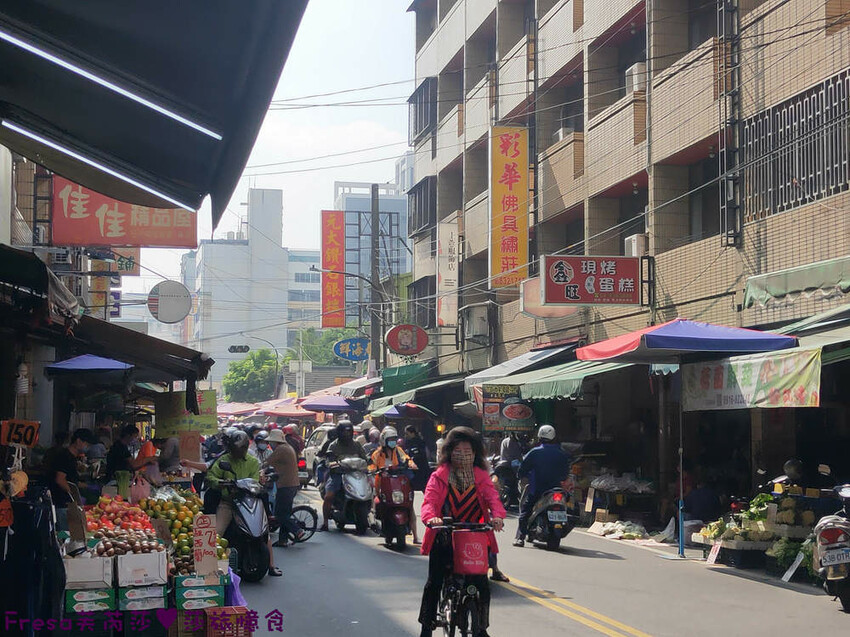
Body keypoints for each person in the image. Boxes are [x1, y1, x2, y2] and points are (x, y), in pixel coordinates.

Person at [418, 426, 505, 637]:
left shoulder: (481, 476)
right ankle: (426, 626)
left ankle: (482, 627)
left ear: (475, 453)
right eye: (458, 451)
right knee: (435, 582)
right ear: (449, 453)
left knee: (482, 585)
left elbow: (492, 498)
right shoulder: (439, 476)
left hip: (473, 536)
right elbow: (429, 502)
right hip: (444, 534)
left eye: (468, 452)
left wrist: (497, 517)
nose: (463, 456)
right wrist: (432, 518)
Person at [205, 430, 282, 577]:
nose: (238, 453)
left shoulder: (253, 462)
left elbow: (257, 479)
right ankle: (207, 567)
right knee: (215, 535)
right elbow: (210, 476)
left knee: (264, 533)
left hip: (250, 502)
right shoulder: (224, 460)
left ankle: (271, 565)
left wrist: (261, 482)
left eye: (241, 449)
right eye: (236, 450)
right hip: (229, 502)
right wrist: (220, 483)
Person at [514, 425, 572, 547]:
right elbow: (566, 472)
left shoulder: (535, 452)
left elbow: (523, 469)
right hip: (557, 490)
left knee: (525, 510)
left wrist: (521, 476)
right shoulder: (562, 453)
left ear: (539, 437)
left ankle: (520, 537)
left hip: (538, 489)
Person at [370, 427, 420, 544]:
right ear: (384, 441)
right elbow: (371, 465)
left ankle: (416, 536)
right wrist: (375, 470)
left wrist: (411, 464)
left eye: (394, 439)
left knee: (409, 507)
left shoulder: (399, 451)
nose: (393, 442)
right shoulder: (378, 454)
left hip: (399, 483)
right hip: (383, 483)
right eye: (390, 439)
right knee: (378, 503)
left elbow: (406, 459)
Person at [318, 420, 367, 532]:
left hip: (356, 474)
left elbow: (365, 457)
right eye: (345, 432)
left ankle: (371, 516)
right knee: (329, 496)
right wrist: (332, 464)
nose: (347, 434)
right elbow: (329, 459)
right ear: (340, 432)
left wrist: (369, 462)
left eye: (349, 432)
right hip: (339, 474)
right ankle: (325, 523)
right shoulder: (334, 445)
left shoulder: (356, 444)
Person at [265, 429, 303, 546]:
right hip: (291, 484)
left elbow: (267, 462)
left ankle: (297, 530)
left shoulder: (281, 449)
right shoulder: (287, 447)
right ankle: (283, 540)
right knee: (285, 513)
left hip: (286, 485)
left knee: (280, 514)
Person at [47, 429, 97, 508]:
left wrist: (87, 486)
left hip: (67, 503)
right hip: (62, 503)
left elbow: (72, 480)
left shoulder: (73, 458)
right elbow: (60, 479)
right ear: (78, 441)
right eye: (86, 444)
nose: (87, 447)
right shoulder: (65, 456)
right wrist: (74, 495)